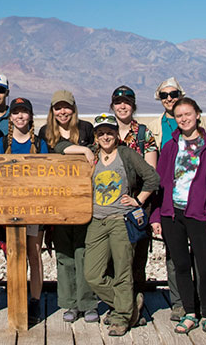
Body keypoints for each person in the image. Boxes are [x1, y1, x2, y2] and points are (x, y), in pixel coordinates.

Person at [61, 114, 160, 336]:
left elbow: (152, 178)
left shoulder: (126, 154)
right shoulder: (93, 156)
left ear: (117, 135)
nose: (106, 136)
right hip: (96, 221)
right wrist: (84, 150)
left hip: (120, 221)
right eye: (101, 133)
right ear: (95, 136)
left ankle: (122, 318)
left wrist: (138, 200)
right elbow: (59, 146)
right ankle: (129, 305)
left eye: (110, 132)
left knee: (123, 271)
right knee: (92, 274)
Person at [151, 97, 206, 338]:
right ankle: (189, 312)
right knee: (181, 265)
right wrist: (156, 215)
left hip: (199, 214)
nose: (183, 119)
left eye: (187, 114)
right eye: (179, 115)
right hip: (172, 214)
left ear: (197, 115)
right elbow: (160, 181)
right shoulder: (171, 145)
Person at [39, 90, 98, 323]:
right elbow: (49, 153)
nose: (62, 112)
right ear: (52, 110)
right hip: (58, 202)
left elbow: (96, 152)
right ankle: (69, 303)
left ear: (73, 109)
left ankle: (87, 302)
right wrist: (80, 150)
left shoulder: (86, 128)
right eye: (57, 107)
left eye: (67, 107)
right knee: (64, 254)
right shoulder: (45, 132)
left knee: (84, 252)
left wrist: (86, 149)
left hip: (84, 200)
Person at [0, 97, 49, 324]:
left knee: (34, 254)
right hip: (8, 208)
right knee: (13, 255)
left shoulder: (40, 143)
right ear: (10, 117)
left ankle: (34, 300)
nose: (20, 117)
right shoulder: (1, 144)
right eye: (16, 113)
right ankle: (16, 298)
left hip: (34, 208)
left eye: (24, 112)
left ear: (31, 116)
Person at [109, 86, 160, 294]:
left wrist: (139, 200)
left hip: (137, 203)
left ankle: (137, 304)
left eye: (127, 102)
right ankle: (117, 305)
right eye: (119, 102)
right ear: (112, 106)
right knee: (112, 257)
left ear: (134, 106)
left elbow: (151, 173)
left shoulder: (142, 134)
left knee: (137, 258)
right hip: (111, 203)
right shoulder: (104, 132)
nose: (123, 106)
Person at [145, 77, 188, 319]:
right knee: (174, 252)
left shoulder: (195, 122)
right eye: (164, 95)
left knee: (199, 252)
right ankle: (179, 302)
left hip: (193, 196)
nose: (169, 98)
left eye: (173, 94)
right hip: (167, 197)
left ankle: (199, 300)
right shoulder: (154, 126)